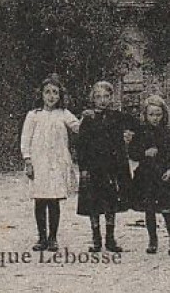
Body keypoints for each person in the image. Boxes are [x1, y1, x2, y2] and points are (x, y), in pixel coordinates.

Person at [19, 74, 79, 252]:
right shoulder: (34, 115)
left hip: (58, 162)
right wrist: (28, 160)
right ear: (41, 95)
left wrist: (89, 118)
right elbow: (25, 139)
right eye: (47, 92)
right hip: (40, 163)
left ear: (60, 96)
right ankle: (41, 238)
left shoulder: (64, 114)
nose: (51, 96)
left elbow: (77, 127)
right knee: (40, 200)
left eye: (55, 93)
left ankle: (53, 238)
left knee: (54, 201)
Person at [75, 81, 135, 253]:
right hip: (94, 167)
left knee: (110, 203)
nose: (102, 100)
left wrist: (129, 135)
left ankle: (110, 238)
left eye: (106, 96)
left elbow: (136, 125)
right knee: (93, 203)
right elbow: (81, 145)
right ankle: (96, 238)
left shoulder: (117, 116)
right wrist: (84, 168)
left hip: (113, 166)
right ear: (92, 99)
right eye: (98, 97)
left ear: (111, 98)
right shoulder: (88, 119)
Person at [128, 94, 170, 256]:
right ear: (145, 115)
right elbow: (133, 152)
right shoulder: (141, 132)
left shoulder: (168, 132)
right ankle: (152, 240)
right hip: (147, 176)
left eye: (158, 114)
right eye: (151, 114)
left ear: (164, 114)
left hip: (164, 176)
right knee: (149, 210)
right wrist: (144, 152)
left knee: (167, 210)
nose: (155, 118)